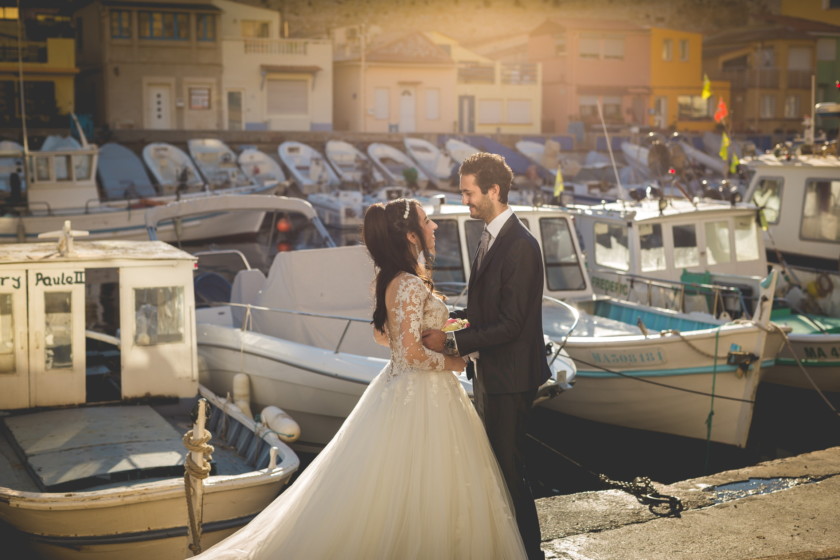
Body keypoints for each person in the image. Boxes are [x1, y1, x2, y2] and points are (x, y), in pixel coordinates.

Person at [193, 197, 526, 559]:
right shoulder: (410, 284)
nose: (434, 227)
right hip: (425, 394)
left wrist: (437, 330)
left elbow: (385, 337)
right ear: (411, 236)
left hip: (402, 389)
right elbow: (411, 354)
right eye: (427, 221)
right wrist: (454, 361)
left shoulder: (393, 280)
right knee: (429, 482)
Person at [423, 152, 551, 560]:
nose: (465, 201)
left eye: (469, 192)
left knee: (510, 471)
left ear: (494, 190)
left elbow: (512, 324)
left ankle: (531, 553)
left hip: (511, 377)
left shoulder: (520, 246)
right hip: (492, 373)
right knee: (499, 468)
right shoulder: (489, 237)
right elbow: (483, 314)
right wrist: (446, 320)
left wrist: (451, 344)